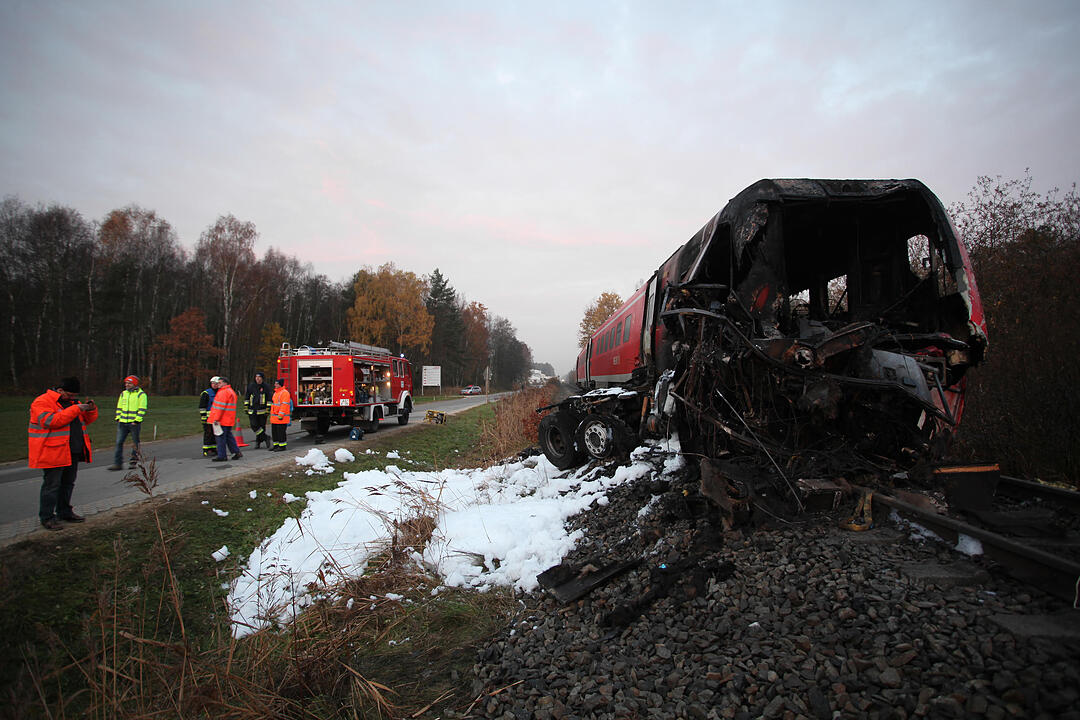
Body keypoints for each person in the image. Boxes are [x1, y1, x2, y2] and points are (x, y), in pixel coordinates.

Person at [29, 377, 98, 531]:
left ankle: (65, 512)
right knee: (52, 485)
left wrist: (91, 409)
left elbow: (86, 421)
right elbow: (52, 421)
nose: (72, 398)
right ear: (60, 390)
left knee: (68, 484)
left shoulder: (72, 403)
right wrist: (77, 408)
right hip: (53, 452)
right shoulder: (42, 402)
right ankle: (47, 517)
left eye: (74, 396)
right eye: (70, 395)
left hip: (72, 450)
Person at [109, 375, 148, 471]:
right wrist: (118, 417)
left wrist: (137, 420)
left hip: (134, 423)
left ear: (134, 384)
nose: (127, 385)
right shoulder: (123, 394)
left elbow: (142, 409)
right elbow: (119, 407)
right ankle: (117, 463)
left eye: (129, 383)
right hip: (122, 423)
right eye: (126, 383)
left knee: (135, 443)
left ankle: (133, 462)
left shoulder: (141, 395)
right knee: (119, 442)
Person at [207, 376, 242, 462]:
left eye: (220, 383)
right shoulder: (231, 391)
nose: (218, 384)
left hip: (222, 419)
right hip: (228, 418)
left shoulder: (223, 392)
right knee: (228, 437)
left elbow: (220, 408)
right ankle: (236, 452)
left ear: (225, 383)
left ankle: (222, 455)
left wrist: (216, 419)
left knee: (220, 438)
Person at [244, 371, 273, 449]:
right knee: (254, 425)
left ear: (262, 379)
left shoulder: (266, 387)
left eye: (259, 377)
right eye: (256, 377)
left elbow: (269, 399)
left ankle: (258, 442)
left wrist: (268, 409)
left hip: (262, 410)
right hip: (252, 409)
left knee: (262, 426)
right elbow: (247, 397)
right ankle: (266, 437)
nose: (257, 379)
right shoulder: (251, 386)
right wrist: (246, 406)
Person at [199, 376, 221, 457]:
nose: (215, 385)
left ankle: (214, 448)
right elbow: (202, 406)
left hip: (217, 418)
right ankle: (206, 450)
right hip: (208, 418)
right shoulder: (206, 393)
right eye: (213, 383)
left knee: (215, 434)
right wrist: (204, 417)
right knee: (208, 434)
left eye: (216, 384)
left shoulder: (220, 393)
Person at [269, 378, 291, 451]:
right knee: (275, 432)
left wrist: (280, 415)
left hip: (281, 417)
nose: (275, 385)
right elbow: (274, 405)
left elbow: (284, 405)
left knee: (281, 433)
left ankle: (282, 446)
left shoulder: (285, 393)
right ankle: (276, 445)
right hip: (275, 418)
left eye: (277, 383)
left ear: (280, 384)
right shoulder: (276, 393)